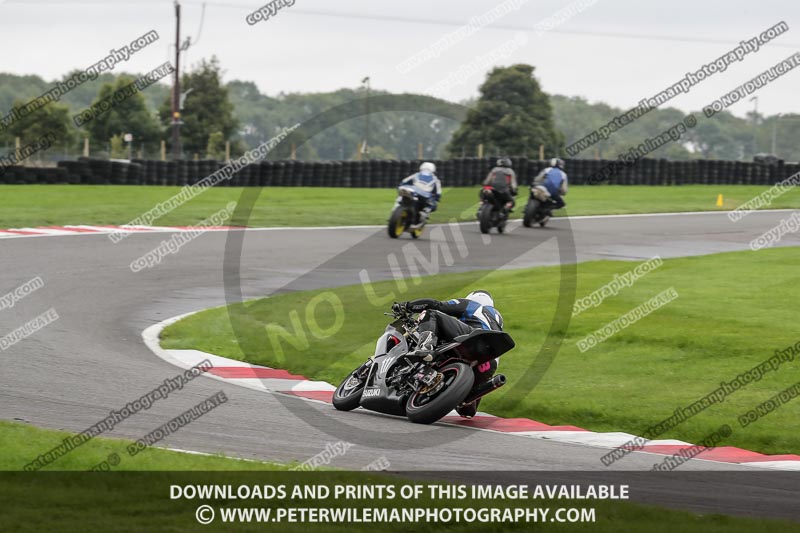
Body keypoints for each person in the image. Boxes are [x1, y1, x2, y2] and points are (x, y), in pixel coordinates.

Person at [393, 290, 503, 418]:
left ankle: (426, 346)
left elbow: (436, 305)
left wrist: (406, 306)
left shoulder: (473, 305)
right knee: (466, 411)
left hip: (474, 340)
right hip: (490, 363)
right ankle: (468, 401)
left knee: (430, 313)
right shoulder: (497, 319)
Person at [400, 162, 442, 227]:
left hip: (413, 191)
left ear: (421, 168)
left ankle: (396, 209)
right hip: (425, 195)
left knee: (401, 196)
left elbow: (404, 182)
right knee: (433, 205)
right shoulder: (436, 179)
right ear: (433, 170)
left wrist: (401, 186)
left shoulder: (416, 174)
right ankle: (424, 215)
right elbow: (438, 193)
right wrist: (436, 199)